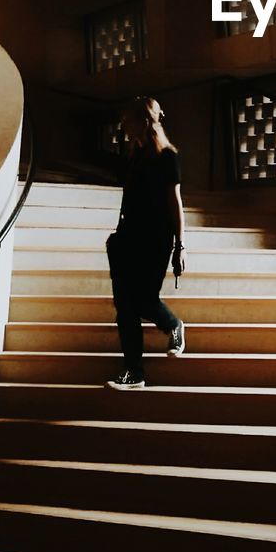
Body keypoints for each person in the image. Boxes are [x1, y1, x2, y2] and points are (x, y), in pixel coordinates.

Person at [105, 97, 187, 391]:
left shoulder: (167, 158)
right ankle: (133, 372)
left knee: (143, 300)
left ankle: (173, 325)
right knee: (125, 307)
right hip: (127, 238)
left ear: (144, 120)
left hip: (155, 239)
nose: (124, 126)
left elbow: (174, 203)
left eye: (128, 120)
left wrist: (180, 245)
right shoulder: (134, 157)